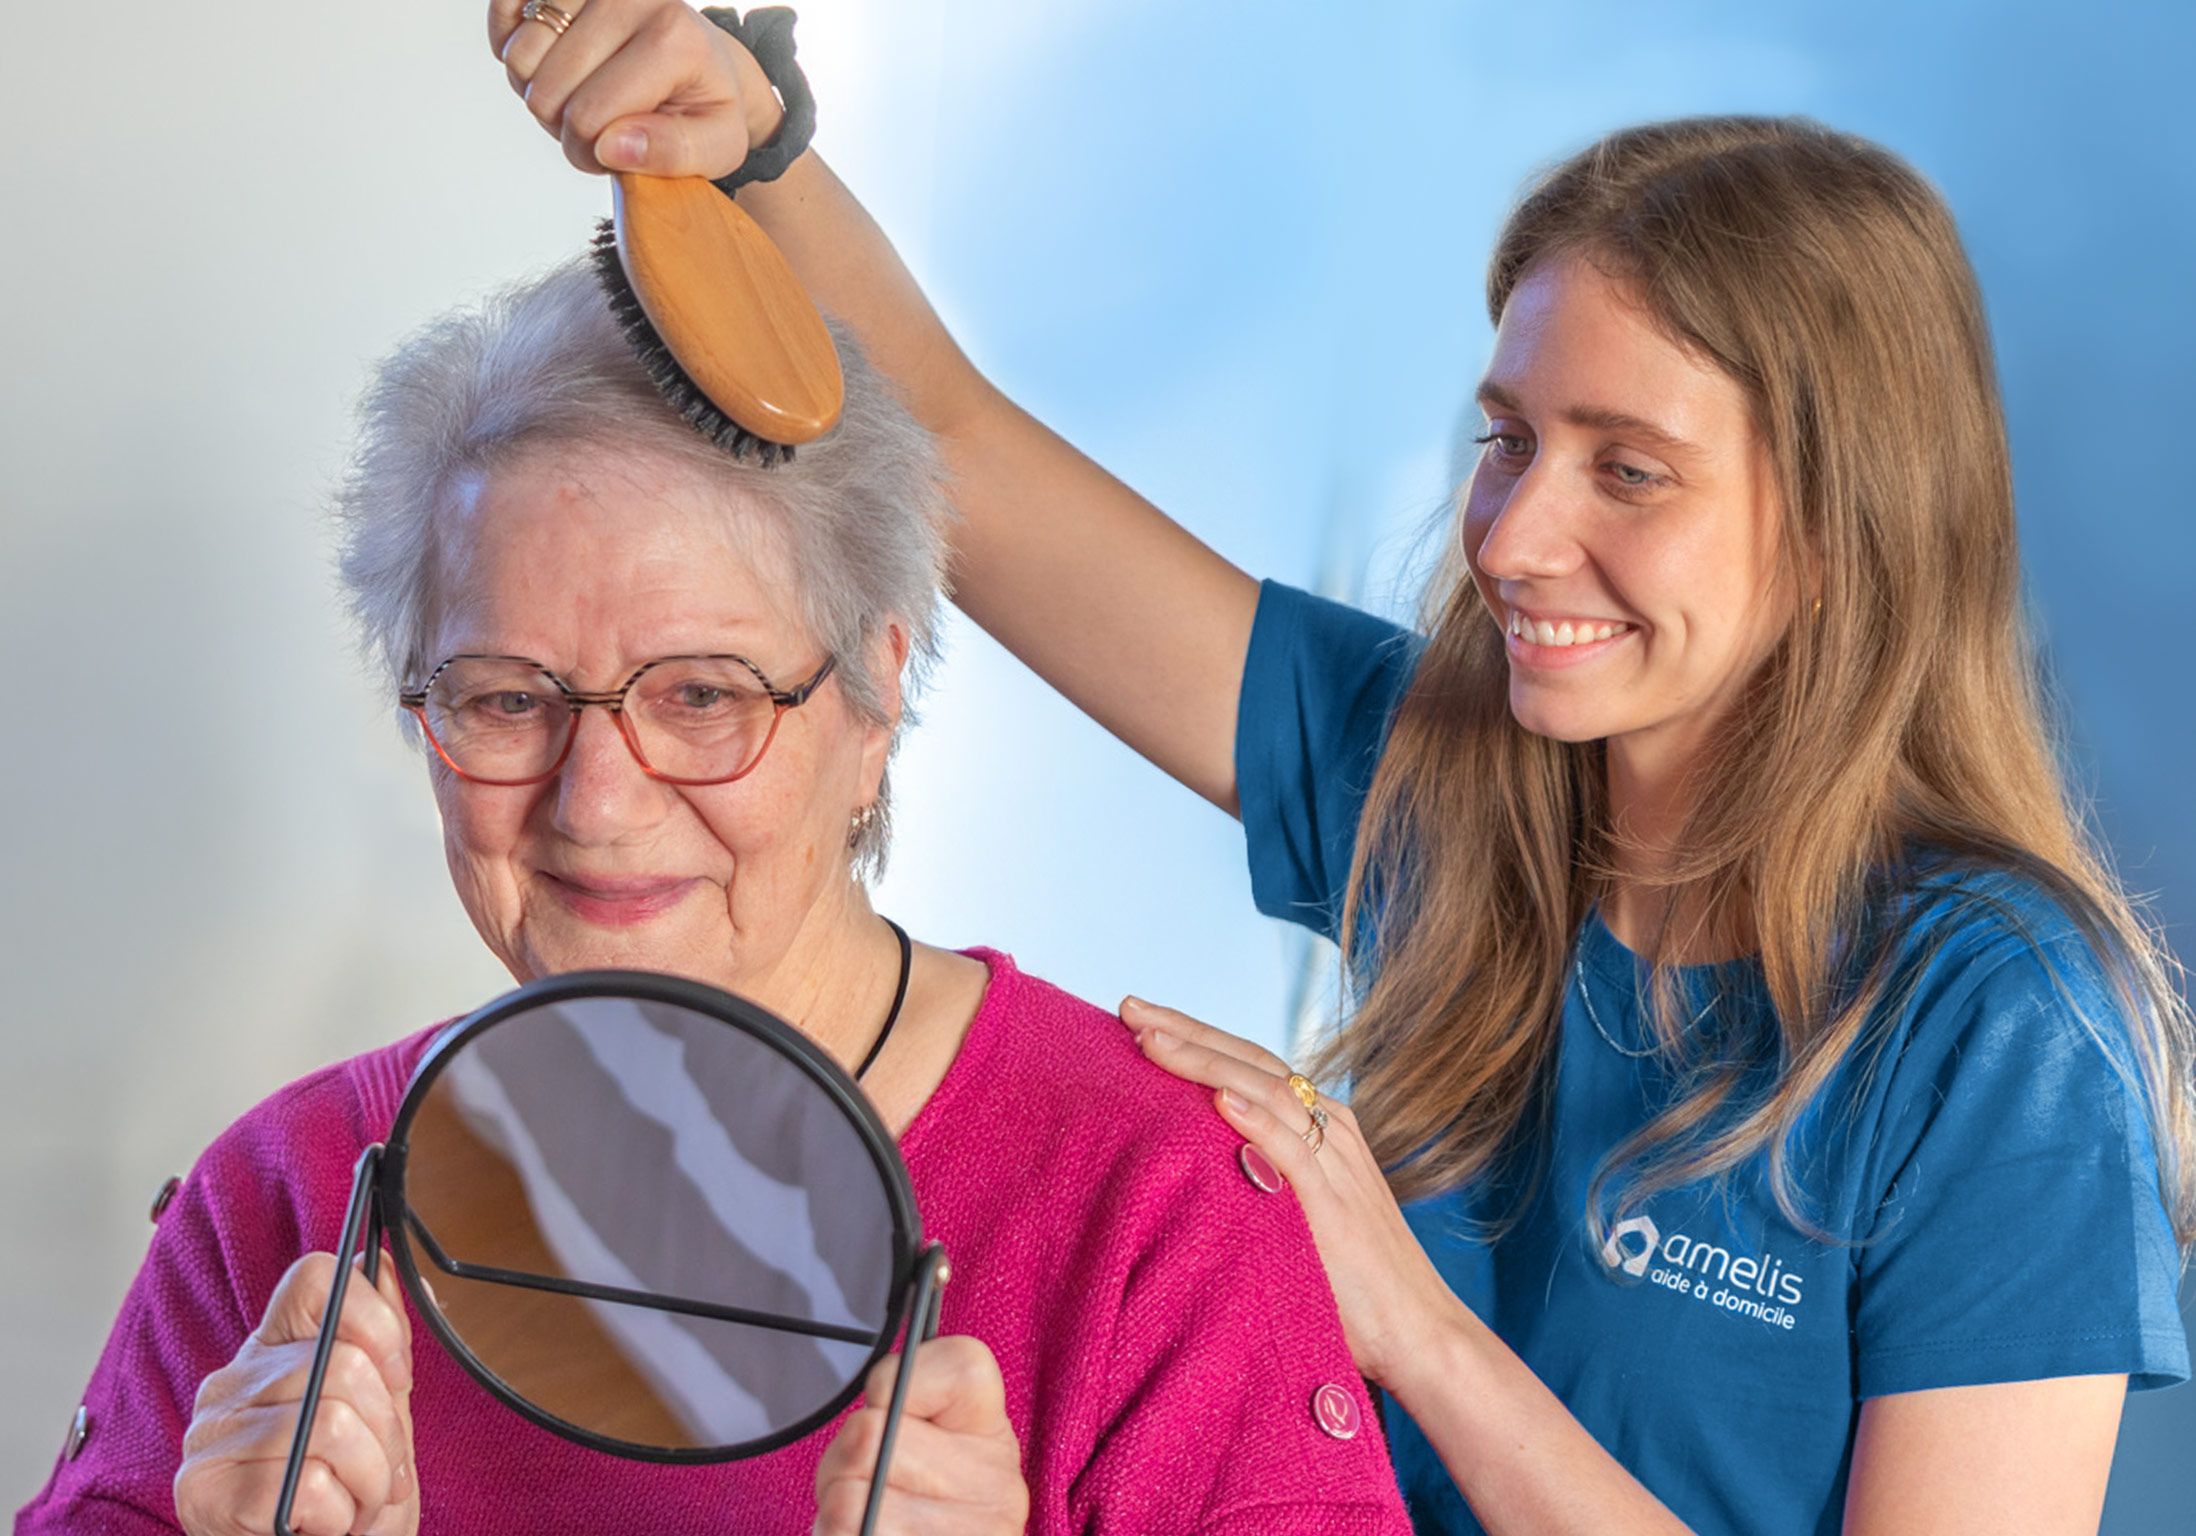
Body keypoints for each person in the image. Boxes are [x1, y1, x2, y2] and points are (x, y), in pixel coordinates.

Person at [480, 3, 2196, 1532]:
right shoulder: (1444, 785)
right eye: (1509, 439)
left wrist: (1412, 1327)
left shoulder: (2000, 1033)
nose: (1517, 538)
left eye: (1631, 472)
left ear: (1841, 532)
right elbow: (953, 447)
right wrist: (752, 137)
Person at [14, 262, 1413, 1536]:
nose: (597, 804)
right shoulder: (284, 1195)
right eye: (505, 698)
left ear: (874, 703)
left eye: (701, 697)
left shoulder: (1152, 1205)